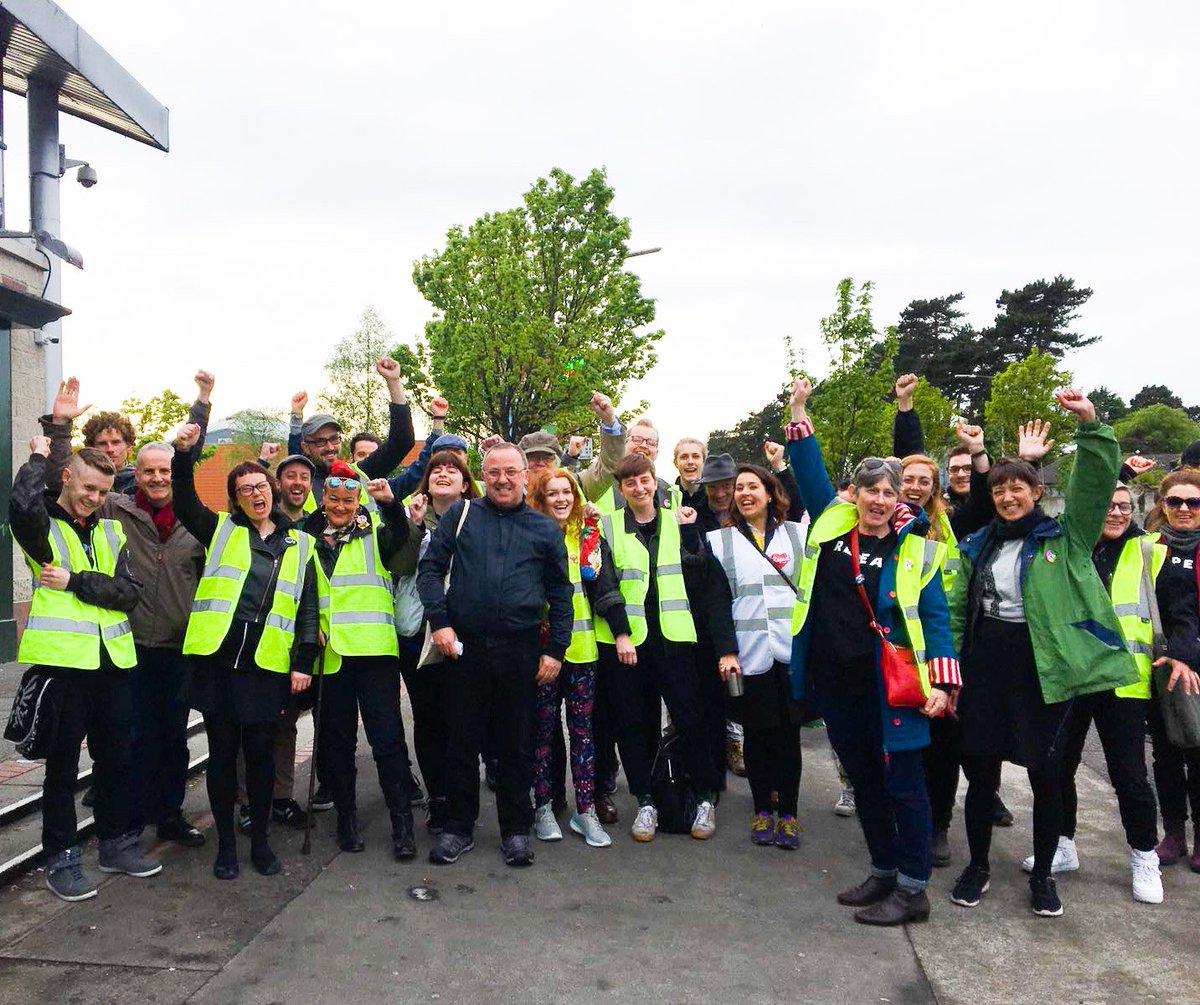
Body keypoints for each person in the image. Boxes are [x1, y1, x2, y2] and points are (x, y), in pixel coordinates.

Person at [948, 389, 1142, 918]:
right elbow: (959, 607)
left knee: (1046, 772)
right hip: (987, 663)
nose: (1010, 496)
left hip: (1043, 667)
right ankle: (979, 865)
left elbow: (1096, 481)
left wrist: (1091, 424)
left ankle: (1043, 876)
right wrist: (950, 669)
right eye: (1001, 489)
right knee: (981, 768)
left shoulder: (1068, 535)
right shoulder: (979, 543)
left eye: (1019, 488)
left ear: (1036, 491)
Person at [785, 377, 959, 927]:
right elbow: (807, 470)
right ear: (854, 495)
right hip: (837, 684)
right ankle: (883, 871)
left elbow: (935, 618)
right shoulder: (831, 529)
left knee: (904, 784)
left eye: (890, 492)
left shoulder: (917, 548)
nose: (880, 500)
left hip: (895, 687)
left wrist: (945, 683)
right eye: (871, 491)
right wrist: (798, 410)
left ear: (900, 497)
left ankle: (913, 890)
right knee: (863, 781)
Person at [42, 375, 213, 848]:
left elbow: (189, 456)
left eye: (165, 471)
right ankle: (129, 823)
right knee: (129, 741)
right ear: (133, 475)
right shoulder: (112, 509)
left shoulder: (196, 520)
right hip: (129, 646)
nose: (158, 478)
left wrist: (201, 406)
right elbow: (71, 485)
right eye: (148, 472)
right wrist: (59, 429)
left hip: (178, 646)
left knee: (174, 739)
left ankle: (170, 815)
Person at [1031, 481, 1196, 903]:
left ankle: (1144, 856)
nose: (1117, 514)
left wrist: (1182, 654)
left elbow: (1182, 612)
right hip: (1074, 674)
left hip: (1125, 679)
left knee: (1130, 776)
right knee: (1059, 768)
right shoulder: (1071, 546)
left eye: (1124, 506)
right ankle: (1064, 845)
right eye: (1108, 506)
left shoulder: (1150, 551)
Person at [11, 439, 160, 901]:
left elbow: (128, 593)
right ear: (68, 478)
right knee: (61, 769)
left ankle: (115, 843)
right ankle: (62, 856)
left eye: (103, 491)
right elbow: (21, 507)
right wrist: (42, 451)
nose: (94, 498)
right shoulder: (44, 530)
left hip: (113, 664)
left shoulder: (110, 533)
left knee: (117, 757)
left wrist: (75, 582)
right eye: (88, 487)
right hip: (65, 667)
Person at [172, 422, 319, 880]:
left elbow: (309, 609)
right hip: (218, 662)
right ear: (235, 498)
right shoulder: (218, 530)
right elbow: (183, 498)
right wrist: (183, 454)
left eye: (261, 485)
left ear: (272, 489)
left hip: (265, 666)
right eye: (245, 489)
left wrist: (303, 662)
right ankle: (227, 848)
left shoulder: (301, 542)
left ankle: (260, 843)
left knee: (259, 755)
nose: (256, 494)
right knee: (221, 754)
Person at [418, 443, 573, 867]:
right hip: (464, 647)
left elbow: (561, 593)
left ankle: (516, 830)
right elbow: (430, 569)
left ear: (526, 475)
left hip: (520, 650)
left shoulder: (543, 529)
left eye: (510, 471)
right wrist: (440, 622)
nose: (502, 479)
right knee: (461, 741)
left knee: (515, 745)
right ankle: (458, 828)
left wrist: (556, 650)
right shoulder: (461, 516)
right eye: (493, 472)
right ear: (482, 476)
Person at [595, 453, 736, 843]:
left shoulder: (679, 520)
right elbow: (603, 586)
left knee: (692, 720)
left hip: (675, 640)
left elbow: (700, 571)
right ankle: (645, 801)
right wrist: (621, 633)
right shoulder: (608, 526)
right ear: (621, 490)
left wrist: (691, 534)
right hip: (628, 645)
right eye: (631, 483)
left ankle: (705, 796)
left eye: (645, 480)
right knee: (633, 726)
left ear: (655, 482)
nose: (640, 488)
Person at [305, 460, 418, 859]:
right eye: (333, 499)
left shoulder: (376, 534)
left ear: (358, 501)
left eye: (348, 500)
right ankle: (346, 820)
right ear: (323, 498)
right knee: (337, 743)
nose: (340, 506)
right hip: (331, 654)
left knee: (387, 741)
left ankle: (402, 825)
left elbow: (402, 534)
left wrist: (388, 505)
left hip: (374, 653)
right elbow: (301, 591)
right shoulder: (306, 535)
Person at [527, 468, 631, 848]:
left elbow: (601, 583)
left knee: (583, 733)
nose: (560, 499)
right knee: (541, 731)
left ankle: (584, 810)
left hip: (583, 649)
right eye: (552, 493)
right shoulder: (532, 536)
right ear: (541, 498)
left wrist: (621, 631)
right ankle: (542, 805)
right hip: (543, 653)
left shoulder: (586, 534)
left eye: (567, 491)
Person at [707, 464, 807, 849]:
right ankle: (763, 809)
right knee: (758, 736)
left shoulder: (798, 535)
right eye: (739, 489)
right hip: (748, 656)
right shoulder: (721, 541)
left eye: (754, 487)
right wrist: (726, 651)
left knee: (789, 736)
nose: (745, 493)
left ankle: (790, 815)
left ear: (770, 493)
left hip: (790, 653)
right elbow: (717, 603)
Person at [393, 450, 482, 833]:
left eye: (453, 469)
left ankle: (463, 799)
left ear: (466, 483)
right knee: (428, 720)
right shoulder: (406, 515)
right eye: (436, 469)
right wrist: (412, 526)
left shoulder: (481, 516)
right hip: (418, 633)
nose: (444, 473)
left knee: (463, 720)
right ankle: (438, 798)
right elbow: (399, 567)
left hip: (468, 631)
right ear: (426, 481)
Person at [1143, 468, 1200, 872]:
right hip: (1159, 665)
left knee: (1198, 752)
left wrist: (1189, 655)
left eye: (1193, 502)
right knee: (1164, 754)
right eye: (1175, 501)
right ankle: (1174, 833)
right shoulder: (1150, 547)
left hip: (1196, 666)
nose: (1184, 509)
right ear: (1162, 505)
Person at [287, 359, 415, 508]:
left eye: (334, 439)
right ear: (306, 447)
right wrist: (296, 418)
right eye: (320, 442)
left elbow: (402, 441)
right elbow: (294, 460)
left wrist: (393, 381)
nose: (330, 447)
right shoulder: (299, 484)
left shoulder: (361, 473)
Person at [80, 410, 138, 495]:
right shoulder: (80, 481)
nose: (110, 449)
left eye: (116, 442)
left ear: (128, 447)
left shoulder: (141, 483)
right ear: (92, 448)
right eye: (102, 444)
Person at [673, 438, 707, 509]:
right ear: (676, 463)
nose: (690, 461)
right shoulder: (666, 498)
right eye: (684, 457)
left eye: (696, 456)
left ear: (704, 462)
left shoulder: (714, 498)